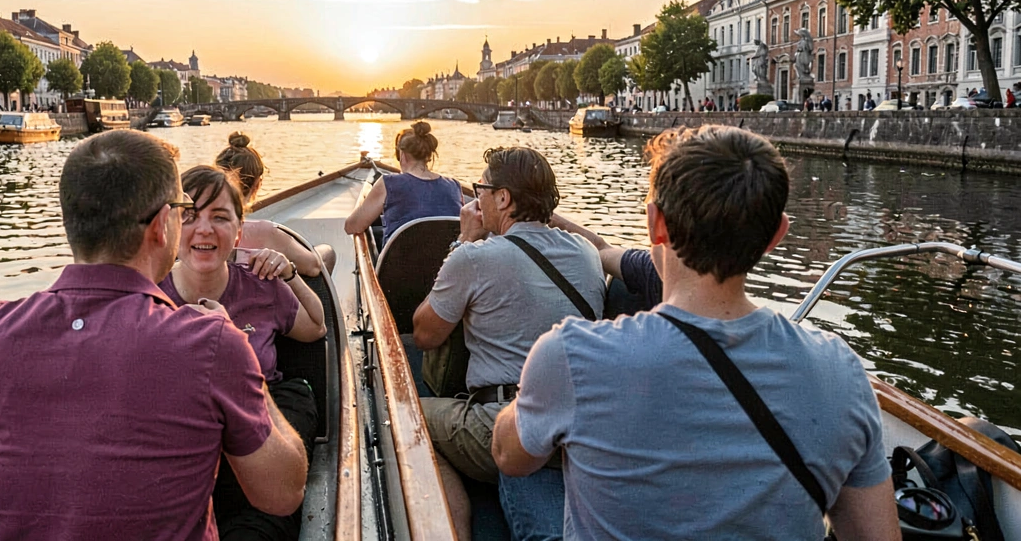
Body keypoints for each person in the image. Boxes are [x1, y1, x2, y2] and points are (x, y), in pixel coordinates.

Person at [492, 126, 897, 540]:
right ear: (776, 235)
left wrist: (538, 396)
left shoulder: (570, 356)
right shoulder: (841, 374)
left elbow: (508, 457)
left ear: (655, 225)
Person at [0, 130, 308, 539]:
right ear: (161, 226)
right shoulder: (211, 343)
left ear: (71, 223)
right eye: (182, 209)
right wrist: (241, 356)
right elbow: (283, 494)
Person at [412, 146, 603, 540]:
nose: (474, 197)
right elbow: (596, 241)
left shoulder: (475, 258)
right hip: (581, 423)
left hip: (505, 422)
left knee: (408, 417)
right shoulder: (586, 252)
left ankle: (453, 531)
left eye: (481, 188)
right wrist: (538, 206)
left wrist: (464, 240)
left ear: (502, 198)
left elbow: (424, 333)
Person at [160, 164, 326, 541]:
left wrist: (289, 274)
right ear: (169, 227)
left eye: (219, 217)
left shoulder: (261, 284)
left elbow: (316, 327)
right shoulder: (149, 297)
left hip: (261, 418)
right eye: (189, 216)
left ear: (238, 232)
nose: (204, 228)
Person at [217, 132, 336, 277]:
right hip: (256, 296)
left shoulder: (193, 232)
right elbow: (313, 267)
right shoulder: (266, 233)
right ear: (257, 185)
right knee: (327, 252)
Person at [344, 121, 463, 243]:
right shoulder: (454, 186)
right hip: (446, 261)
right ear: (428, 156)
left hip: (397, 262)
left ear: (402, 155)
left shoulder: (389, 183)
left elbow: (351, 226)